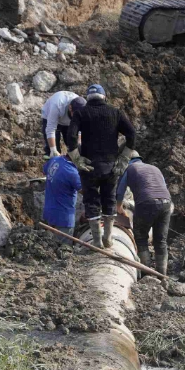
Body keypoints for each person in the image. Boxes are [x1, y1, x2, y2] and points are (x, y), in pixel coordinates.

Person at [66, 84, 136, 248]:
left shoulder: (81, 113)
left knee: (91, 201)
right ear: (104, 97)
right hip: (110, 166)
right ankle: (108, 238)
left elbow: (71, 135)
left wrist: (77, 158)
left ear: (88, 98)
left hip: (89, 167)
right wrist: (124, 157)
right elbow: (132, 133)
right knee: (109, 199)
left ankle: (96, 241)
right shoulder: (115, 112)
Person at [116, 152, 173, 275]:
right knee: (161, 240)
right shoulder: (155, 168)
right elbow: (162, 187)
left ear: (127, 160)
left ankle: (146, 273)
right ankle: (162, 274)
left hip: (146, 202)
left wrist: (119, 208)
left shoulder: (129, 169)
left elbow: (119, 191)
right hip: (166, 203)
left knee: (141, 238)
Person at [42, 154, 82, 245]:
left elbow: (44, 170)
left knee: (50, 246)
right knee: (63, 250)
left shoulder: (55, 159)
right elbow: (87, 192)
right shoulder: (72, 172)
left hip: (50, 213)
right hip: (64, 219)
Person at [41, 91, 86, 159]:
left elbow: (80, 130)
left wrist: (77, 149)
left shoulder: (84, 109)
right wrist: (53, 150)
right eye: (75, 115)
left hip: (68, 122)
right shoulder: (57, 105)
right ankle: (52, 164)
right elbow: (50, 129)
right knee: (53, 150)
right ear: (70, 108)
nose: (77, 117)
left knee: (74, 148)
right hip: (50, 117)